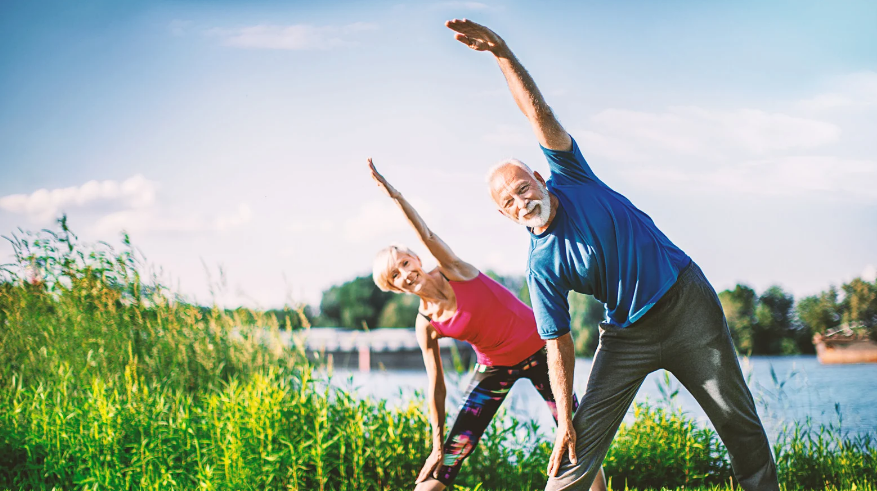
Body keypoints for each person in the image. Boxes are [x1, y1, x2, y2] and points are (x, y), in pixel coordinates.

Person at [445, 18, 780, 491]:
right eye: (509, 203)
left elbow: (538, 114)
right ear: (505, 216)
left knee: (737, 423)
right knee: (573, 448)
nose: (522, 201)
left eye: (523, 188)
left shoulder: (572, 175)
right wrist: (564, 417)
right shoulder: (541, 266)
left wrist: (502, 52)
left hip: (687, 305)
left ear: (540, 178)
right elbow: (557, 344)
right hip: (626, 336)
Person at [368, 159, 607, 491]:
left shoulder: (454, 269)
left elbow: (426, 233)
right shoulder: (426, 324)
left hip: (541, 351)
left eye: (405, 264)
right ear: (395, 287)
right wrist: (438, 444)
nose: (406, 274)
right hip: (495, 368)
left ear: (417, 259)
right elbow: (436, 387)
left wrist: (395, 196)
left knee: (578, 436)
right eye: (395, 276)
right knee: (446, 461)